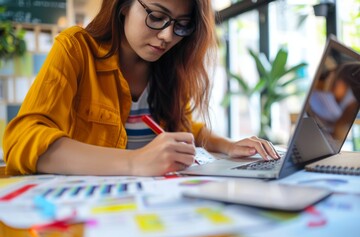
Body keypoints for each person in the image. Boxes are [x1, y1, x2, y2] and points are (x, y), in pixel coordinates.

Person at [3, 0, 279, 176]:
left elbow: (184, 128)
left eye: (182, 26)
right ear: (123, 6)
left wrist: (229, 146)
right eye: (157, 16)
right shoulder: (76, 49)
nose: (167, 36)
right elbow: (22, 140)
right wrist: (134, 162)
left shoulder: (170, 66)